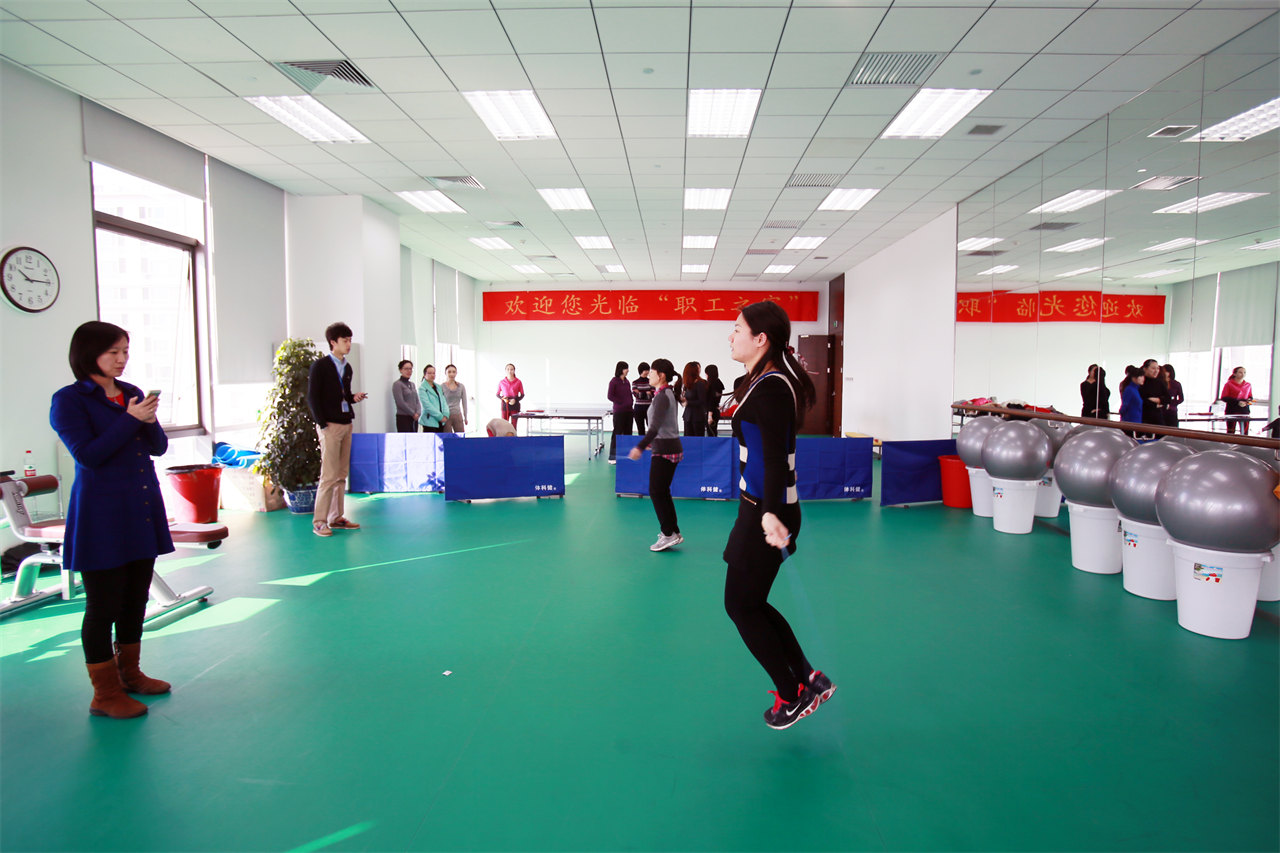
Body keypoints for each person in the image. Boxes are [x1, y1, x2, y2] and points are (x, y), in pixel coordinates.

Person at [50, 321, 175, 719]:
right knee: (103, 605)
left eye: (125, 351)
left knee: (136, 598)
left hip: (140, 507)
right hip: (100, 515)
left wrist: (148, 420)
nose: (122, 359)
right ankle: (104, 694)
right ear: (89, 354)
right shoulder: (69, 400)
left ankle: (130, 674)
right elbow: (88, 455)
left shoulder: (131, 393)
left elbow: (158, 448)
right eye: (113, 352)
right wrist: (130, 419)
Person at [723, 301, 835, 730]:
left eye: (737, 328)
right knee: (751, 603)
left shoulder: (771, 388)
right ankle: (807, 676)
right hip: (760, 507)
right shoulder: (762, 381)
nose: (731, 336)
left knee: (739, 605)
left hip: (766, 511)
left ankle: (792, 695)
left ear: (761, 338)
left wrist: (769, 514)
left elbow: (772, 460)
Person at [307, 322, 368, 538]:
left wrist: (353, 398)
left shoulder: (347, 367)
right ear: (333, 342)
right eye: (345, 340)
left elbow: (344, 395)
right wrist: (322, 425)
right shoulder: (320, 366)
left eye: (350, 340)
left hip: (346, 423)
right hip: (330, 426)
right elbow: (312, 398)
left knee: (342, 474)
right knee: (329, 475)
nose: (349, 344)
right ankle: (319, 522)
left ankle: (336, 517)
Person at [629, 358, 683, 551]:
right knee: (662, 491)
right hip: (668, 447)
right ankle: (673, 531)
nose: (649, 375)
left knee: (656, 491)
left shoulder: (662, 396)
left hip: (666, 451)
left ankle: (668, 534)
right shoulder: (666, 393)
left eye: (652, 372)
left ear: (661, 375)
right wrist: (653, 443)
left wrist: (640, 446)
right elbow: (666, 425)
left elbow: (654, 427)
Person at [607, 360, 634, 463]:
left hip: (629, 411)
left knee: (628, 433)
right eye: (626, 368)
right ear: (621, 369)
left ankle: (627, 455)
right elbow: (610, 396)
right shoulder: (613, 381)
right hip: (619, 412)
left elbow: (629, 394)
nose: (628, 370)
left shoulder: (627, 381)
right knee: (617, 433)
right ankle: (612, 457)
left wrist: (630, 402)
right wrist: (621, 402)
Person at [680, 361, 710, 438]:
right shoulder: (687, 385)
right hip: (688, 416)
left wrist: (688, 403)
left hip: (697, 417)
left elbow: (702, 401)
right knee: (687, 439)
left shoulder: (700, 383)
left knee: (697, 439)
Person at [1221, 366, 1253, 435]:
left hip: (1244, 410)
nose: (1243, 374)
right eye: (1240, 372)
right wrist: (1237, 402)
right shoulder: (1229, 384)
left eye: (1244, 372)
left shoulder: (1248, 385)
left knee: (1245, 431)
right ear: (1235, 374)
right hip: (1232, 409)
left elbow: (1250, 397)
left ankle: (1244, 442)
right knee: (1231, 431)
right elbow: (1224, 397)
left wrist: (1247, 402)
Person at [417, 364, 448, 433]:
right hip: (429, 421)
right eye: (429, 373)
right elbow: (427, 405)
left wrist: (446, 414)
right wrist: (440, 417)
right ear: (424, 375)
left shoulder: (438, 387)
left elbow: (443, 402)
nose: (432, 375)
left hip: (441, 421)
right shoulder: (422, 388)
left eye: (433, 373)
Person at [392, 359, 419, 433]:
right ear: (400, 370)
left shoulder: (412, 384)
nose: (409, 371)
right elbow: (400, 402)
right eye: (406, 369)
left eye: (410, 369)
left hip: (414, 418)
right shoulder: (397, 384)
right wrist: (413, 413)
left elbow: (417, 400)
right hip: (403, 418)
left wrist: (418, 413)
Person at [1140, 358, 1169, 428]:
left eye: (1157, 368)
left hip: (1158, 417)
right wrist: (1158, 403)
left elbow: (1168, 398)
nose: (1156, 371)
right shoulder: (1141, 381)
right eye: (1153, 368)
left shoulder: (1159, 382)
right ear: (1145, 369)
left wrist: (1158, 400)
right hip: (1144, 417)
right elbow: (1142, 400)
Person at [441, 364, 468, 433]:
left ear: (456, 373)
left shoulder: (461, 386)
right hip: (446, 415)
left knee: (460, 436)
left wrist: (465, 417)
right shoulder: (442, 387)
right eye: (449, 372)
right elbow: (440, 403)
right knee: (447, 437)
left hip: (457, 414)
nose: (451, 374)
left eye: (453, 372)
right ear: (445, 373)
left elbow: (464, 402)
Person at [1119, 365, 1145, 429]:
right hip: (1129, 422)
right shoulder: (1129, 389)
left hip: (1136, 421)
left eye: (1143, 376)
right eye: (1141, 376)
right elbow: (1125, 405)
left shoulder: (1136, 389)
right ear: (1134, 378)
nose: (1143, 379)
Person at [632, 361, 653, 436]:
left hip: (649, 408)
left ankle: (651, 442)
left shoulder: (651, 381)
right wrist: (647, 393)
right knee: (640, 429)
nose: (648, 372)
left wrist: (640, 393)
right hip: (638, 409)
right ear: (641, 371)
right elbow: (636, 395)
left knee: (651, 428)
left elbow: (653, 394)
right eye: (646, 370)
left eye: (648, 370)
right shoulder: (635, 382)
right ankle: (642, 443)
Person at [705, 364, 725, 435]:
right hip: (714, 411)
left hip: (712, 412)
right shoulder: (718, 383)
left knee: (711, 433)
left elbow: (712, 400)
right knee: (712, 432)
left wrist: (710, 416)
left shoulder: (714, 384)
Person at [1163, 364, 1184, 428]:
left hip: (1172, 411)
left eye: (1165, 371)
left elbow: (1181, 398)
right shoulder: (1160, 382)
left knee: (1172, 428)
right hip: (1162, 410)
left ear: (1169, 372)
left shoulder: (1176, 384)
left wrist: (1172, 404)